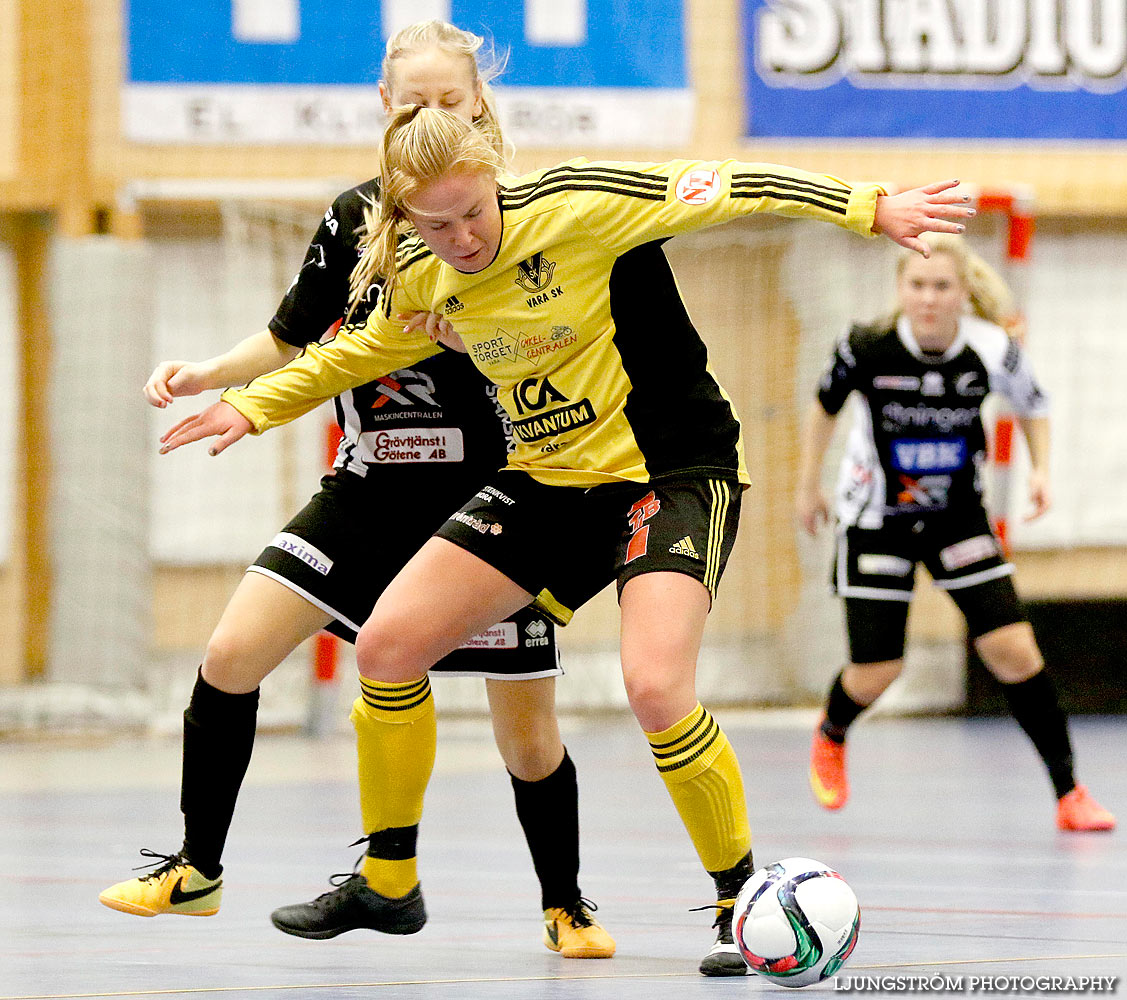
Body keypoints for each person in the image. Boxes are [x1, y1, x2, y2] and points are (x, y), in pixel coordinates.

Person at [156, 105, 975, 975]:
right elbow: (358, 352)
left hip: (668, 473)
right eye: (437, 223)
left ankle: (740, 900)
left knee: (655, 687)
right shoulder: (415, 269)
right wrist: (249, 403)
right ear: (402, 218)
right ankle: (389, 882)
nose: (463, 236)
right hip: (547, 482)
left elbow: (732, 186)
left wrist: (868, 206)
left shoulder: (579, 202)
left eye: (474, 210)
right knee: (388, 646)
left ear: (494, 180)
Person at [97, 21, 617, 961]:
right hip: (370, 485)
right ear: (385, 108)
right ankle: (197, 867)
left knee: (525, 731)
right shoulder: (354, 217)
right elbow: (295, 336)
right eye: (410, 103)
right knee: (228, 655)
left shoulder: (517, 213)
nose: (429, 116)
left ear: (479, 105)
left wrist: (495, 333)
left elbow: (576, 335)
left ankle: (565, 902)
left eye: (447, 103)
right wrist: (212, 374)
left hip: (491, 498)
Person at [796, 234, 1116, 833]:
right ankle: (832, 732)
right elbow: (823, 407)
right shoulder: (866, 346)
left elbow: (1034, 405)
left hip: (955, 518)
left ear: (963, 293)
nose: (928, 298)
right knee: (878, 670)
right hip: (876, 520)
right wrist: (806, 485)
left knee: (1014, 651)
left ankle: (1069, 792)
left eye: (941, 286)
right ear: (900, 290)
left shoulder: (993, 348)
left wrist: (1041, 470)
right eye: (916, 285)